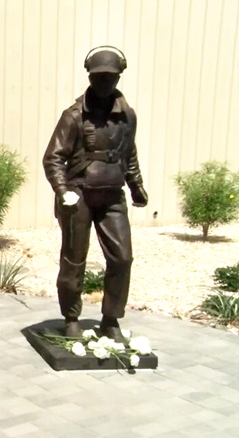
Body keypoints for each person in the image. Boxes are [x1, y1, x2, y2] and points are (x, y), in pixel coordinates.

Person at [42, 46, 148, 343]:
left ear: (118, 77)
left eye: (110, 77)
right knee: (74, 258)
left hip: (112, 194)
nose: (104, 83)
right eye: (99, 77)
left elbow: (129, 153)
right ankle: (71, 317)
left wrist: (136, 185)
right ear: (90, 76)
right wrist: (63, 191)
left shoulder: (127, 115)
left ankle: (111, 318)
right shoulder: (74, 116)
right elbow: (53, 158)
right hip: (79, 194)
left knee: (122, 258)